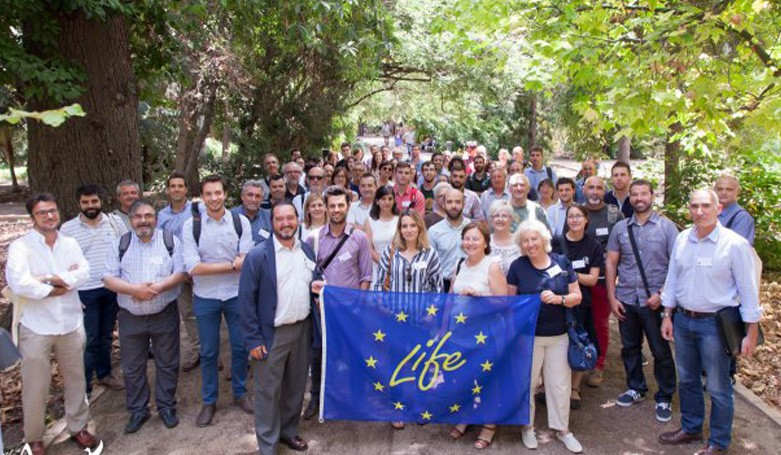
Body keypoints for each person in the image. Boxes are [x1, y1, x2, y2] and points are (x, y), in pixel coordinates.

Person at [658, 189, 761, 455]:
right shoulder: (682, 239)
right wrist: (667, 315)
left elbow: (749, 290)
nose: (700, 211)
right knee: (688, 380)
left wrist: (751, 332)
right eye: (694, 206)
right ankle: (691, 428)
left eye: (706, 206)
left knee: (717, 386)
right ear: (689, 209)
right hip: (682, 320)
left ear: (718, 209)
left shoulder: (734, 245)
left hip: (715, 326)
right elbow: (672, 280)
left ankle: (718, 442)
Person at [6, 193, 100, 455]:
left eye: (52, 211)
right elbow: (19, 282)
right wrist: (52, 287)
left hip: (70, 322)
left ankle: (78, 426)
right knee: (36, 385)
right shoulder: (21, 247)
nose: (49, 216)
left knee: (76, 380)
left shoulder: (69, 243)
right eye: (42, 212)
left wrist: (50, 278)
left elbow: (83, 271)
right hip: (36, 326)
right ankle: (34, 437)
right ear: (32, 217)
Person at [239, 201, 321, 455]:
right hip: (271, 334)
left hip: (302, 330)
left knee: (295, 388)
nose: (286, 223)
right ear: (272, 222)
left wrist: (316, 287)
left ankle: (288, 431)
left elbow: (310, 283)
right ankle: (268, 444)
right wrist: (253, 340)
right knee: (268, 392)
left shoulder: (306, 251)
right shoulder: (258, 256)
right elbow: (246, 301)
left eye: (290, 218)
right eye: (280, 219)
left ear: (298, 220)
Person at [103, 200, 187, 433]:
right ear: (131, 220)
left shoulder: (170, 241)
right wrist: (134, 291)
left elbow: (180, 271)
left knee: (168, 363)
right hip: (131, 315)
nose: (144, 220)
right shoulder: (120, 244)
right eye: (138, 216)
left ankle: (166, 406)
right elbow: (108, 278)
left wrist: (157, 288)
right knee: (132, 366)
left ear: (155, 219)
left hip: (164, 312)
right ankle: (138, 410)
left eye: (148, 215)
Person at [182, 175, 255, 427]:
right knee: (209, 351)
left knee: (239, 347)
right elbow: (192, 267)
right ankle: (209, 401)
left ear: (226, 194)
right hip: (205, 297)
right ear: (202, 197)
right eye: (208, 194)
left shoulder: (240, 222)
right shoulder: (191, 226)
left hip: (236, 295)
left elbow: (246, 259)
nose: (214, 198)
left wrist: (227, 265)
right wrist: (230, 265)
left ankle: (240, 393)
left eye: (218, 193)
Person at [507, 219, 583, 453]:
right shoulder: (517, 267)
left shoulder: (561, 262)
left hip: (559, 335)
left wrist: (558, 299)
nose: (531, 244)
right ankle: (527, 427)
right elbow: (511, 304)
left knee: (559, 385)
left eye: (534, 239)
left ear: (544, 240)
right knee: (528, 384)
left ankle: (562, 430)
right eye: (526, 241)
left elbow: (577, 296)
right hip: (529, 338)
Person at [605, 179, 678, 420]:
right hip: (626, 298)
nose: (638, 198)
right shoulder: (620, 228)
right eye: (634, 194)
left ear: (652, 196)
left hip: (654, 301)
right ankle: (636, 387)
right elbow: (611, 263)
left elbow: (678, 267)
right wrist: (612, 297)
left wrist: (663, 295)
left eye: (643, 194)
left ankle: (665, 396)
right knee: (630, 348)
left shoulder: (667, 228)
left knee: (660, 351)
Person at [304, 186, 373, 419]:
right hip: (320, 309)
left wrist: (359, 306)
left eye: (340, 205)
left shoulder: (359, 238)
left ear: (348, 206)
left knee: (352, 353)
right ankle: (316, 398)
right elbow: (307, 274)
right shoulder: (313, 239)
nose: (336, 210)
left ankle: (355, 399)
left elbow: (366, 276)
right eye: (331, 205)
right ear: (325, 207)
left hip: (350, 310)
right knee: (318, 353)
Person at [374, 209, 443, 430]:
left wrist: (431, 315)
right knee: (396, 364)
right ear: (399, 229)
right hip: (395, 320)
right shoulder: (391, 252)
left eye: (413, 225)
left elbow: (437, 287)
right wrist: (383, 308)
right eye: (404, 226)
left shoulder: (429, 253)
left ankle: (420, 406)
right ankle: (397, 407)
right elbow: (378, 285)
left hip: (421, 321)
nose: (408, 230)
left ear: (420, 228)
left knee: (422, 364)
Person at [60, 184, 127, 393]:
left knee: (106, 334)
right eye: (85, 202)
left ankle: (105, 374)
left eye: (94, 201)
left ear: (101, 201)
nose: (90, 206)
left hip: (110, 287)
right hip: (84, 292)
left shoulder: (114, 223)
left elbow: (126, 248)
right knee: (89, 338)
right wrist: (71, 291)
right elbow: (62, 263)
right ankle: (85, 385)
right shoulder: (68, 230)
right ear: (79, 204)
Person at [449, 221, 507, 449]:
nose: (470, 243)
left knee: (487, 379)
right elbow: (451, 297)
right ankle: (466, 416)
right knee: (463, 377)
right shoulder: (460, 263)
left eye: (475, 238)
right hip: (460, 334)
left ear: (485, 242)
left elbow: (503, 302)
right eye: (467, 238)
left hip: (486, 334)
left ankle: (489, 425)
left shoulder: (492, 265)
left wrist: (479, 298)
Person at [551, 205, 603, 410]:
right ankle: (551, 386)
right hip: (557, 300)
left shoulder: (594, 246)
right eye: (570, 216)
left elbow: (592, 279)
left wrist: (569, 274)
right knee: (557, 343)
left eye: (578, 216)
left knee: (578, 341)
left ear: (586, 219)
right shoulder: (557, 242)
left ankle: (574, 388)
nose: (574, 220)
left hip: (582, 302)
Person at [582, 175, 623, 387]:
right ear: (583, 189)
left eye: (599, 188)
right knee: (579, 321)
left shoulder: (614, 214)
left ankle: (598, 365)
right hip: (579, 280)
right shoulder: (577, 212)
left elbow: (622, 245)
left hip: (602, 280)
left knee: (600, 323)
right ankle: (579, 362)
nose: (595, 192)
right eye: (591, 187)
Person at [157, 172, 200, 372]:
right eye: (172, 186)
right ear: (168, 190)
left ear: (185, 189)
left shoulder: (198, 210)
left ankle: (211, 352)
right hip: (178, 270)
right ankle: (197, 350)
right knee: (188, 313)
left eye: (180, 186)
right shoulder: (162, 216)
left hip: (199, 268)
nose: (176, 189)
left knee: (208, 311)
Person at [429, 188, 470, 292]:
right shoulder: (434, 231)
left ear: (464, 203)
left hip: (468, 283)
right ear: (443, 204)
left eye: (457, 202)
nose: (453, 206)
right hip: (443, 285)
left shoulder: (472, 228)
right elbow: (430, 263)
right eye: (449, 202)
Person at [364, 185, 400, 287]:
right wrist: (383, 262)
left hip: (396, 265)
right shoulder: (370, 221)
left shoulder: (399, 220)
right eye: (383, 199)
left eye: (390, 199)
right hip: (376, 266)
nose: (387, 202)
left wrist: (391, 265)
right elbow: (368, 248)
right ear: (377, 201)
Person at [714, 173, 755, 245]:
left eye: (729, 189)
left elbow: (737, 248)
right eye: (720, 189)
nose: (724, 193)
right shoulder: (710, 213)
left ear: (738, 192)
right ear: (714, 191)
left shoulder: (742, 218)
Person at [232, 180, 272, 244]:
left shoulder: (269, 217)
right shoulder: (230, 217)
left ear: (262, 199)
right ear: (242, 197)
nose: (253, 199)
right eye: (250, 195)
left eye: (258, 196)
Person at [488, 200, 521, 275]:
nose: (500, 219)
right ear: (491, 219)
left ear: (511, 219)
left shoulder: (519, 242)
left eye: (504, 216)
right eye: (496, 216)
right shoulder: (485, 242)